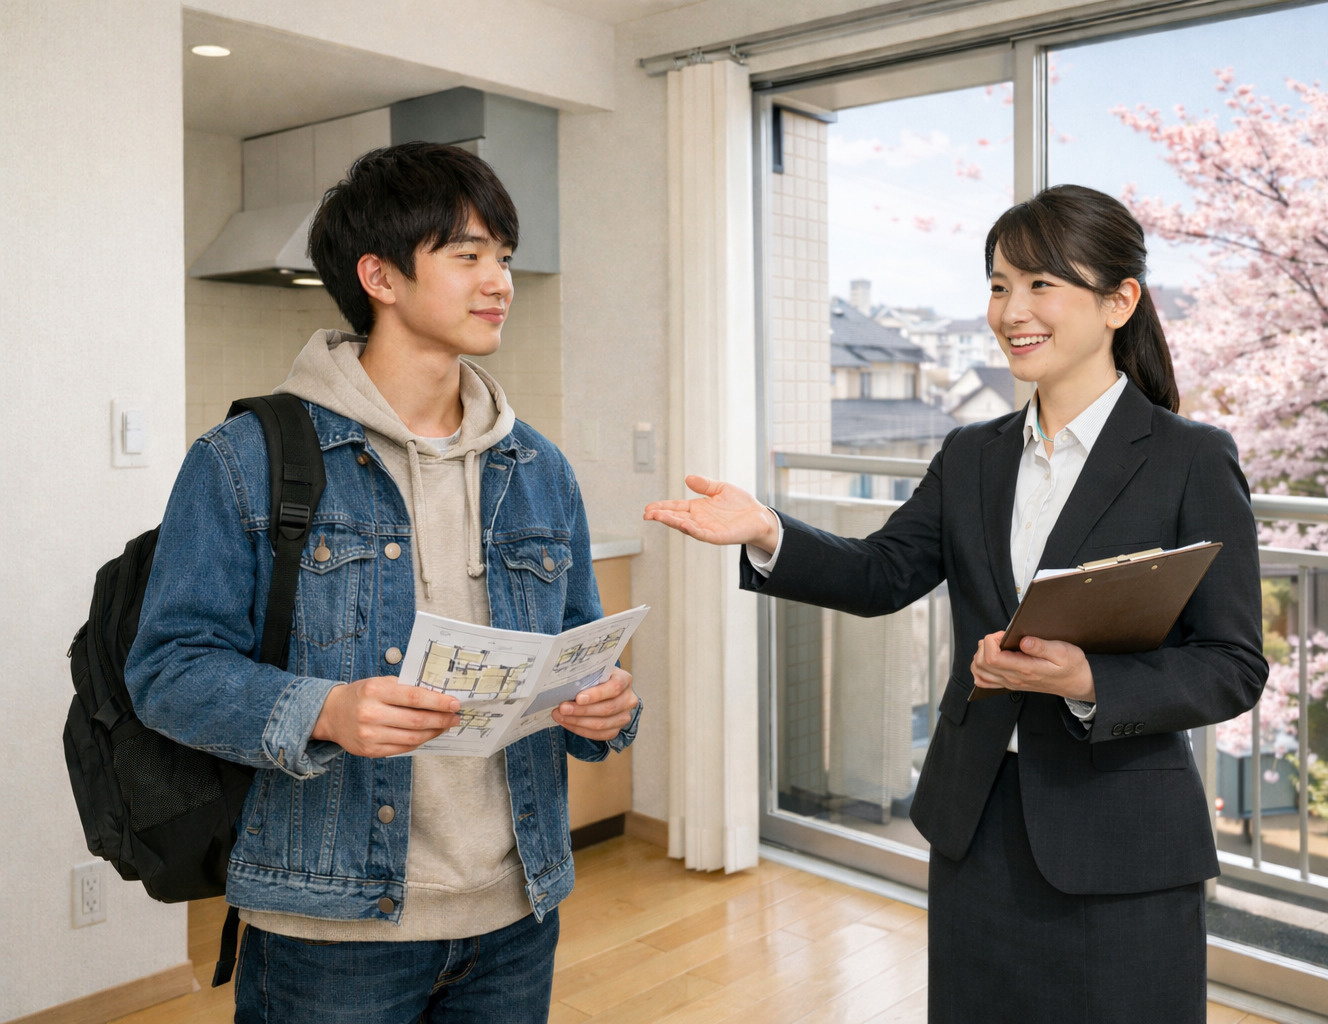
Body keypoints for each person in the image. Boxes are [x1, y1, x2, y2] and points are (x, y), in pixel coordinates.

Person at [644, 184, 1266, 1022]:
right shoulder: (972, 453)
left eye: (1042, 284)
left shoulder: (1191, 459)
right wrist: (767, 530)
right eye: (1000, 285)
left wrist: (1088, 681)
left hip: (1120, 831)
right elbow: (881, 573)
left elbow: (1231, 666)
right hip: (976, 814)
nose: (1013, 311)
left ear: (1120, 302)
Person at [127, 142, 640, 1024]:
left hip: (517, 916)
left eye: (505, 256)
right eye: (468, 254)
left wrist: (606, 708)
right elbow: (168, 670)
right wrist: (325, 711)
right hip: (330, 930)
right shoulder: (244, 459)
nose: (500, 282)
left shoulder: (539, 468)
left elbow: (581, 656)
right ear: (380, 276)